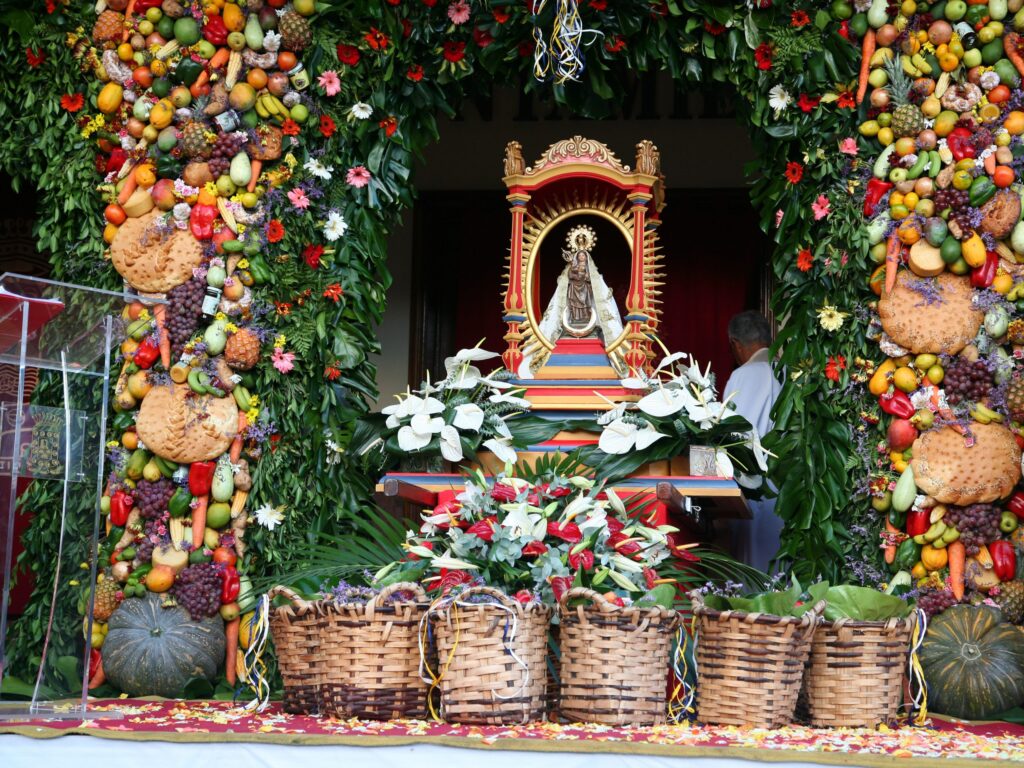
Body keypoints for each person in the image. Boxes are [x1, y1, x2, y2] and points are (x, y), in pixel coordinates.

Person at [723, 311, 782, 573]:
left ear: (735, 344)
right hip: (785, 488)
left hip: (754, 488)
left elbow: (734, 439)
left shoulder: (742, 376)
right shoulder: (788, 371)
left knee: (752, 573)